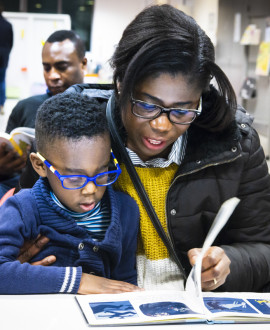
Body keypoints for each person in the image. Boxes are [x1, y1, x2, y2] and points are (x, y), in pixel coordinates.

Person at [17, 4, 270, 292]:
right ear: (121, 85)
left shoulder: (236, 142)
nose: (162, 125)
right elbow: (23, 231)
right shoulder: (71, 134)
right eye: (147, 105)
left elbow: (262, 246)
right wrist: (24, 263)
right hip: (96, 304)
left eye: (182, 110)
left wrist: (230, 263)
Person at [0, 91, 140, 294]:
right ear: (40, 165)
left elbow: (125, 282)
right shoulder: (23, 208)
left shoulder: (126, 210)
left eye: (102, 173)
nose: (91, 189)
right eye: (74, 178)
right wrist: (78, 281)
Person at [0, 29, 87, 198]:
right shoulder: (26, 106)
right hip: (23, 189)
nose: (52, 76)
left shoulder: (97, 107)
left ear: (83, 64)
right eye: (47, 68)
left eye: (62, 67)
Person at [0, 1, 13, 116]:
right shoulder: (7, 25)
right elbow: (10, 43)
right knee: (2, 82)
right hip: (3, 58)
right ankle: (1, 106)